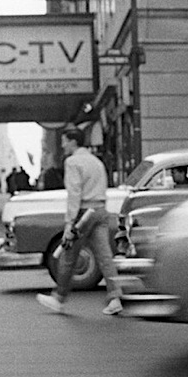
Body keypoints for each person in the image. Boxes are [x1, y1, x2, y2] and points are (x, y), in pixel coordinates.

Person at [36, 128, 123, 316]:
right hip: (100, 210)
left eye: (65, 141)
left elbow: (74, 193)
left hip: (83, 214)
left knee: (68, 256)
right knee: (104, 256)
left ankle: (59, 298)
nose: (63, 145)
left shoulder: (73, 162)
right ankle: (116, 297)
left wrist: (69, 224)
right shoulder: (96, 162)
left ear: (73, 142)